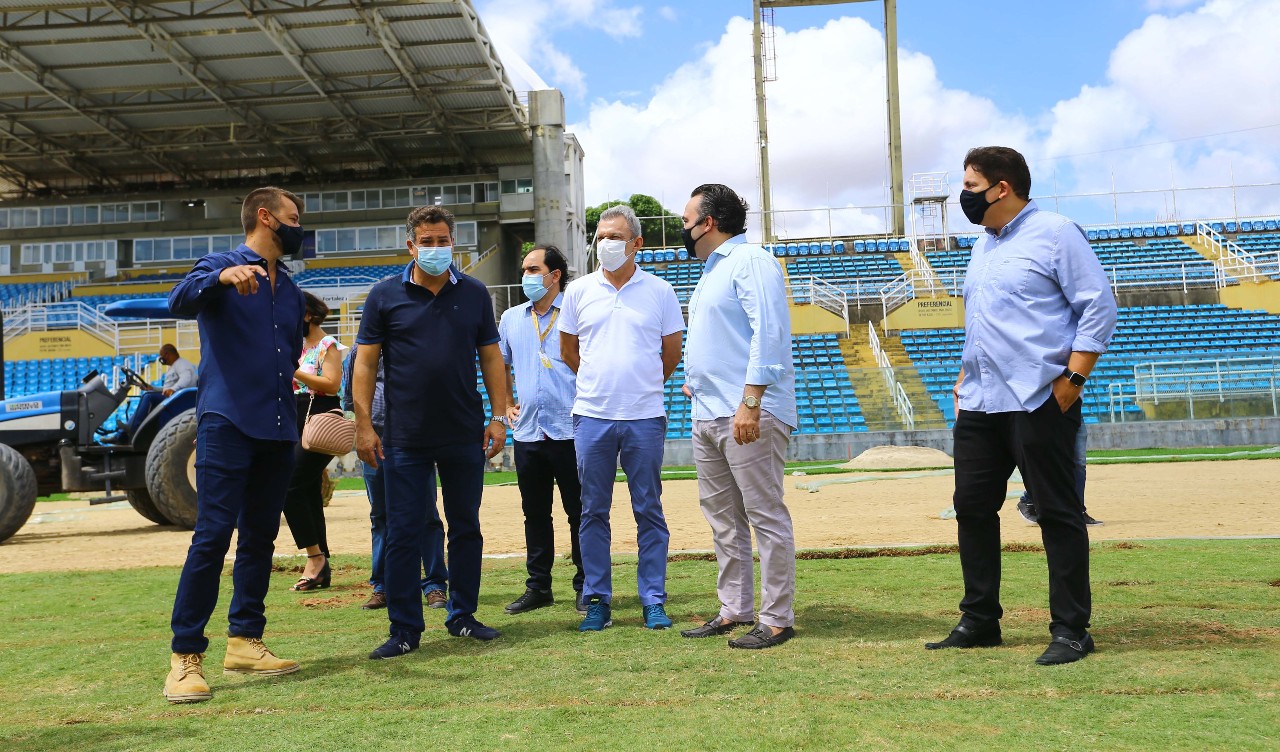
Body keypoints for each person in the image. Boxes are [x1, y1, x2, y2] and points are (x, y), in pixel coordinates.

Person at [925, 147, 1117, 666]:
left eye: (969, 185)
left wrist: (1072, 380)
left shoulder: (1056, 232)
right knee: (972, 509)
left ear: (1001, 187)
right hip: (982, 403)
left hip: (1039, 398)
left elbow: (1098, 303)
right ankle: (981, 620)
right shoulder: (982, 245)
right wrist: (965, 381)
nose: (962, 195)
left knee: (1057, 513)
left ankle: (1073, 629)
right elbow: (984, 321)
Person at [162, 186, 308, 703]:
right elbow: (178, 300)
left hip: (278, 425)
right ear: (266, 218)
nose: (299, 227)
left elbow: (289, 356)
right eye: (293, 218)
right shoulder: (220, 265)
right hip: (227, 422)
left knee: (261, 539)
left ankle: (246, 640)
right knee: (212, 535)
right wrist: (222, 277)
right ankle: (185, 658)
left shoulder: (290, 290)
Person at [353, 205, 508, 660]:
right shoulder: (384, 296)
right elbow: (364, 363)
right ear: (411, 245)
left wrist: (498, 416)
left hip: (463, 433)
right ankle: (404, 629)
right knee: (404, 531)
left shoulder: (476, 294)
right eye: (428, 241)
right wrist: (363, 424)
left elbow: (492, 358)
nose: (437, 249)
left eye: (444, 241)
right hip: (403, 436)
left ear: (452, 243)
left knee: (465, 527)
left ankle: (462, 616)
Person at [678, 184, 799, 650]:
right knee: (723, 517)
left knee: (764, 514)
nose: (683, 228)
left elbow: (768, 332)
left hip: (746, 412)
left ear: (708, 223)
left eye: (687, 220)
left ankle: (777, 617)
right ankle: (735, 608)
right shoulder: (711, 272)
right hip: (708, 410)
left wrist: (751, 401)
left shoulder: (751, 262)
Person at [558, 204, 684, 632]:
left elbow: (671, 355)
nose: (605, 243)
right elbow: (568, 352)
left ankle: (652, 599)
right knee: (593, 510)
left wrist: (639, 385)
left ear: (636, 244)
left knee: (648, 508)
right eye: (600, 236)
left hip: (644, 417)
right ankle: (597, 598)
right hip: (591, 416)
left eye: (615, 236)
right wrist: (601, 383)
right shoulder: (577, 291)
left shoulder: (661, 292)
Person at [498, 244, 586, 615]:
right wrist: (504, 405)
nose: (526, 277)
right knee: (534, 513)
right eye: (524, 270)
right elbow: (499, 363)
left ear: (555, 276)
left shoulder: (576, 311)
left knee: (581, 512)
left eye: (534, 270)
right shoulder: (511, 318)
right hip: (528, 432)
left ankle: (588, 584)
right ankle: (539, 587)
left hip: (572, 428)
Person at [340, 343, 449, 611]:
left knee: (426, 514)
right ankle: (383, 586)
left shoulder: (416, 342)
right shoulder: (360, 350)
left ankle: (434, 584)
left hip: (415, 438)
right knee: (381, 515)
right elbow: (350, 397)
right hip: (374, 438)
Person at [281, 292, 343, 591]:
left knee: (289, 485)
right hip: (294, 418)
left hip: (319, 419)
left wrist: (291, 370)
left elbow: (332, 384)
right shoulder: (292, 346)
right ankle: (322, 564)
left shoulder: (327, 345)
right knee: (305, 489)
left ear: (307, 315)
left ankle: (314, 557)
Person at [1017, 423, 1102, 526]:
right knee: (1052, 461)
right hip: (1050, 416)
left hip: (1074, 415)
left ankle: (1078, 511)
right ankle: (1028, 500)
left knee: (1078, 463)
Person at [108, 345, 198, 442]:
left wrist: (173, 389)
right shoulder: (175, 366)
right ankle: (121, 436)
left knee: (148, 397)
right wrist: (152, 388)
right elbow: (166, 389)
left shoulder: (182, 364)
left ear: (167, 354)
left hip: (179, 400)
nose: (161, 358)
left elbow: (186, 378)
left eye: (161, 355)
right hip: (174, 398)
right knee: (149, 393)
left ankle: (131, 428)